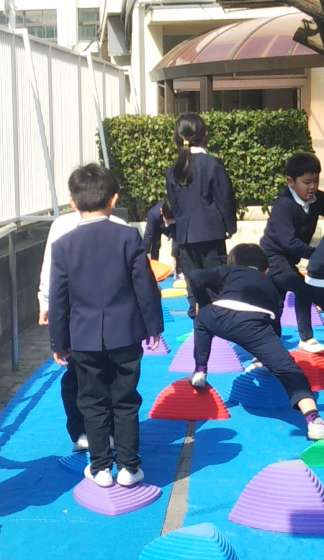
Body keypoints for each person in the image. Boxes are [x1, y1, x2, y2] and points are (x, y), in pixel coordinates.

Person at [49, 163, 163, 487]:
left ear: (73, 202)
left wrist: (59, 341)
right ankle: (129, 467)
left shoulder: (63, 245)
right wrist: (153, 326)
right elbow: (144, 284)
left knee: (91, 400)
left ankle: (100, 467)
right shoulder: (128, 236)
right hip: (125, 332)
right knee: (125, 399)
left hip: (83, 336)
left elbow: (59, 299)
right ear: (114, 199)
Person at [188, 243, 324, 441]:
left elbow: (195, 276)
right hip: (255, 325)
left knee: (201, 320)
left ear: (234, 262)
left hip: (220, 315)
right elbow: (275, 323)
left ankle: (200, 369)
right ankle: (313, 419)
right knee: (289, 370)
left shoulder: (230, 271)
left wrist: (203, 303)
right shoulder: (270, 284)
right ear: (265, 269)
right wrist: (268, 354)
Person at [37, 204, 126, 452]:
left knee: (83, 375)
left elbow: (50, 271)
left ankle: (92, 432)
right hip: (110, 317)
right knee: (97, 375)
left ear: (73, 200)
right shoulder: (120, 227)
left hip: (78, 316)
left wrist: (46, 302)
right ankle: (97, 432)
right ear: (113, 198)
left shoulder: (64, 225)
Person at [166, 112, 237, 319]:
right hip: (211, 233)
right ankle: (219, 324)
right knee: (216, 284)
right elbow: (225, 198)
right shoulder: (212, 164)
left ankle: (198, 323)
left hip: (185, 236)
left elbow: (174, 204)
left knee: (194, 286)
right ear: (204, 135)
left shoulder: (173, 170)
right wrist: (230, 226)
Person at [260, 152, 324, 352]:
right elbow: (289, 242)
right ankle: (305, 338)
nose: (312, 187)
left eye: (316, 181)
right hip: (273, 258)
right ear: (290, 181)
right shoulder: (284, 206)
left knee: (276, 300)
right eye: (307, 182)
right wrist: (317, 254)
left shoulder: (316, 198)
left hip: (291, 260)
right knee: (301, 290)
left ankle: (269, 342)